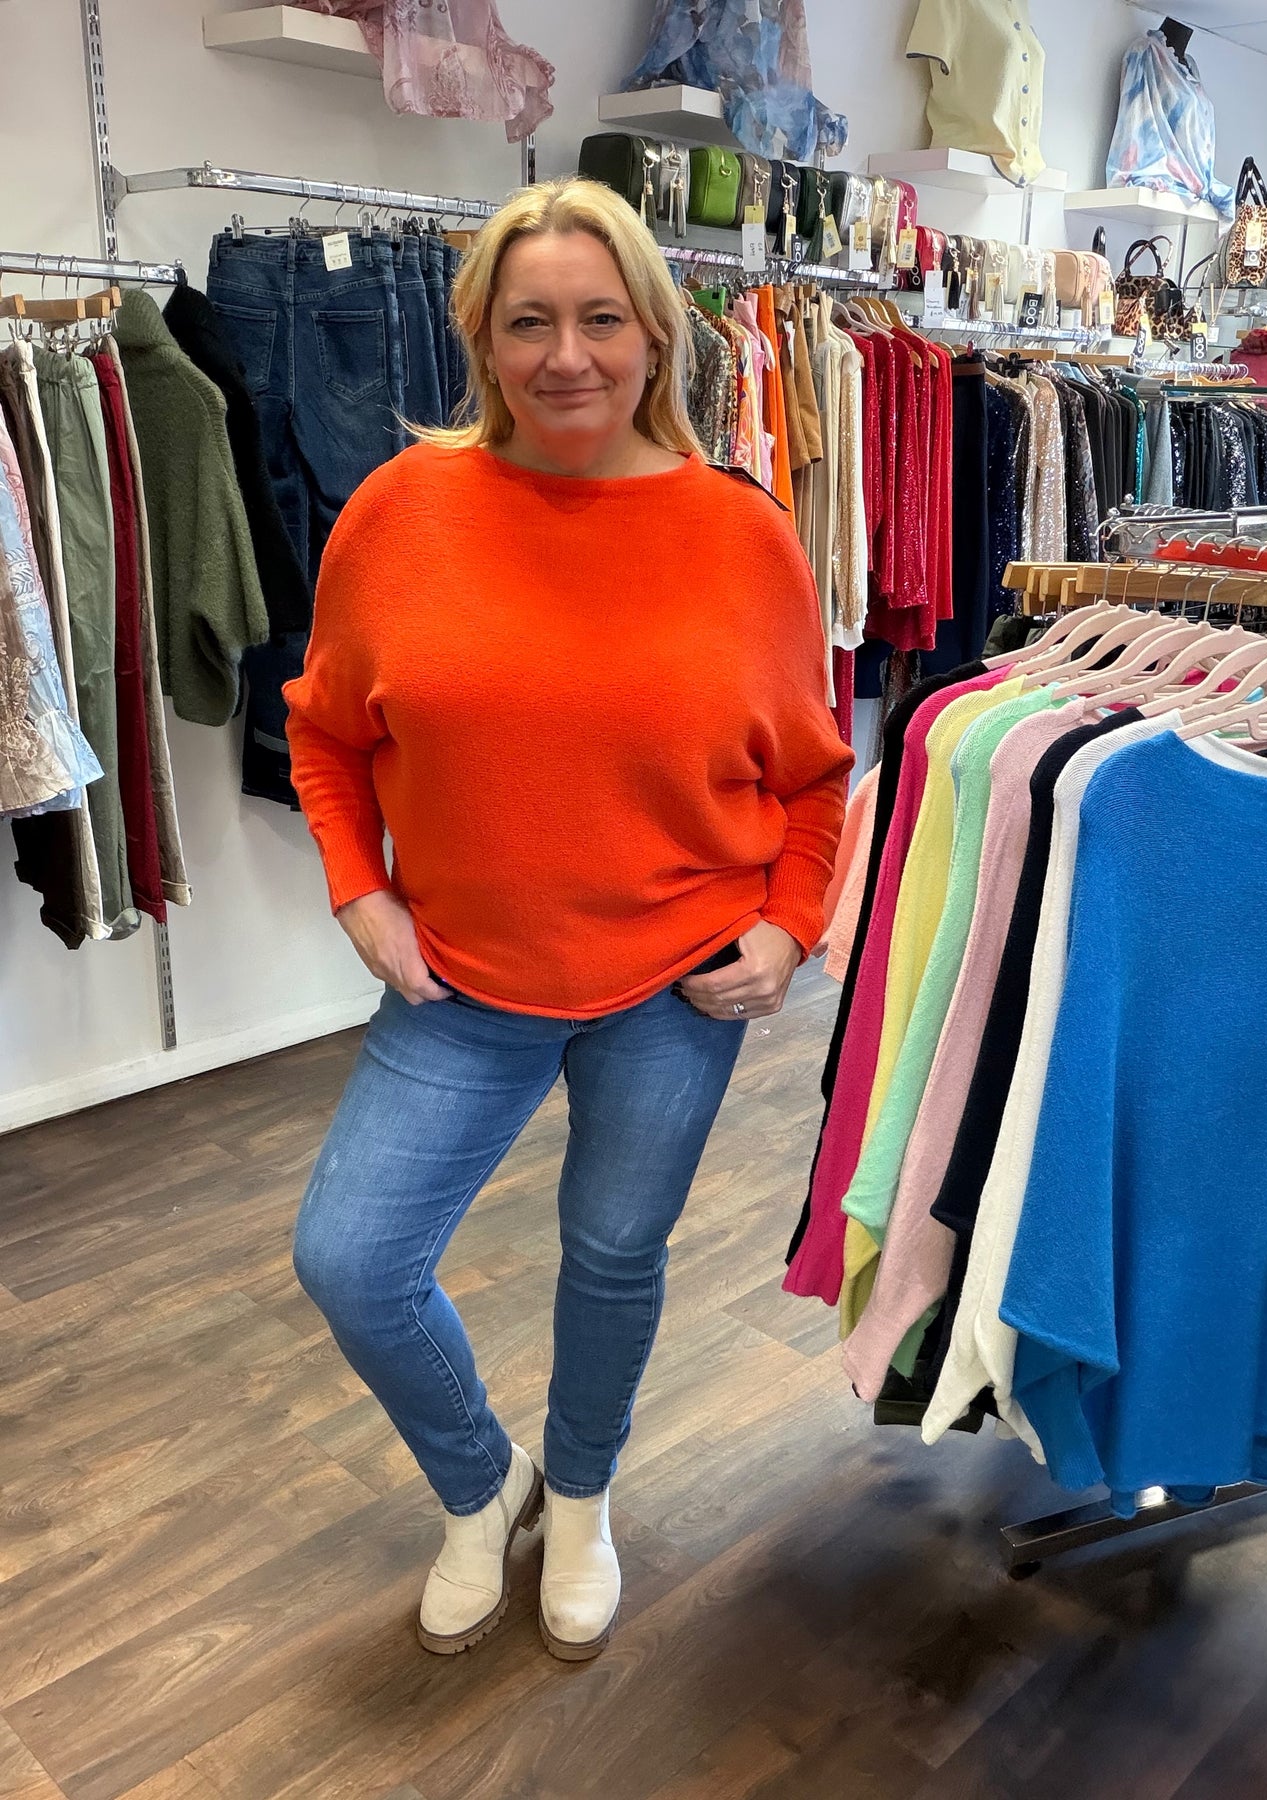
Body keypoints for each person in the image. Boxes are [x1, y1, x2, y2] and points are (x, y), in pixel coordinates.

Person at [285, 177, 854, 1663]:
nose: (566, 356)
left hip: (676, 982)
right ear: (480, 335)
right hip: (460, 979)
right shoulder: (399, 513)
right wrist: (357, 887)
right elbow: (325, 729)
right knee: (352, 1257)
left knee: (611, 1253)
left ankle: (585, 1497)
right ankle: (487, 1487)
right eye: (527, 321)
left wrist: (790, 929)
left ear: (656, 335)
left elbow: (812, 775)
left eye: (601, 319)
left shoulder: (741, 536)